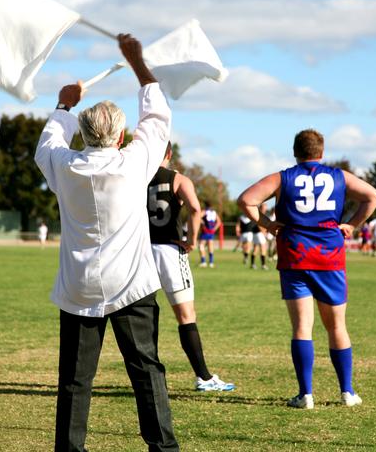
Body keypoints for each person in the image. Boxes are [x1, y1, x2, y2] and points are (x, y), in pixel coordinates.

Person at [34, 34, 179, 452]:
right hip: (131, 285)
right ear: (120, 138)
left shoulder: (63, 165)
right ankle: (163, 448)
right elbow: (156, 118)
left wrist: (65, 104)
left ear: (83, 134)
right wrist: (136, 62)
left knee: (75, 381)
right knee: (146, 371)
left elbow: (48, 142)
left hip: (78, 287)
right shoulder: (133, 162)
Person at [237, 128, 376, 410]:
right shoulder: (338, 176)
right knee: (337, 325)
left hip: (295, 256)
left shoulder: (283, 177)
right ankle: (347, 392)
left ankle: (306, 395)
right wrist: (352, 224)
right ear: (321, 152)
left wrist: (266, 224)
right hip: (330, 257)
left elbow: (246, 200)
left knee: (302, 327)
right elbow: (372, 196)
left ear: (295, 152)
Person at [148, 141, 234, 392]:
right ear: (170, 154)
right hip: (170, 251)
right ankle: (204, 378)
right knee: (186, 316)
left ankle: (149, 377)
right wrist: (191, 240)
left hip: (141, 252)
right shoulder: (179, 180)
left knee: (144, 315)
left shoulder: (136, 177)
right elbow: (195, 210)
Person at [199, 202, 222, 268]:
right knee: (210, 246)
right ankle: (211, 262)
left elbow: (198, 216)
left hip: (205, 231)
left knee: (201, 245)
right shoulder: (214, 213)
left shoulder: (205, 211)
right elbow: (219, 222)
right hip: (211, 232)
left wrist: (202, 222)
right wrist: (214, 229)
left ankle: (203, 262)